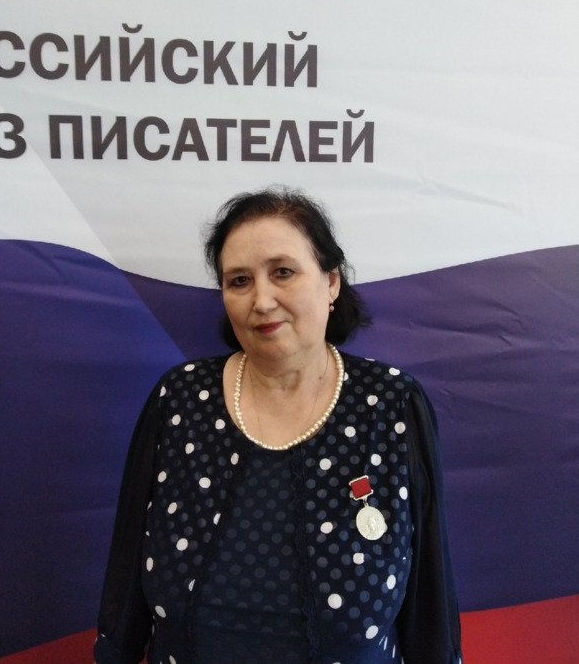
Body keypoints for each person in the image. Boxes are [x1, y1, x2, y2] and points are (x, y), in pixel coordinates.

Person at [94, 187, 463, 664]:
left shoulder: (391, 405)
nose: (262, 300)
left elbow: (429, 602)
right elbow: (125, 591)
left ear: (331, 282)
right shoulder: (179, 400)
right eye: (239, 281)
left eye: (283, 272)